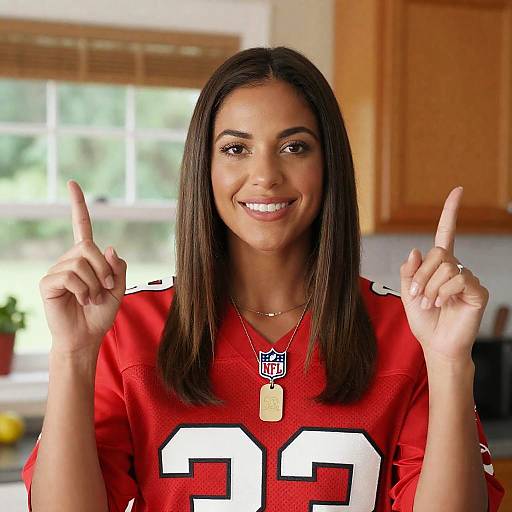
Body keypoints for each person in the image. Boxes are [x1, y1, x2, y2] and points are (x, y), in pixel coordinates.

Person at [22, 46, 504, 511]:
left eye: (294, 147)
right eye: (236, 148)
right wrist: (74, 353)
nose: (265, 175)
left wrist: (447, 362)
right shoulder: (125, 327)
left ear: (328, 164)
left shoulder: (409, 333)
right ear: (204, 168)